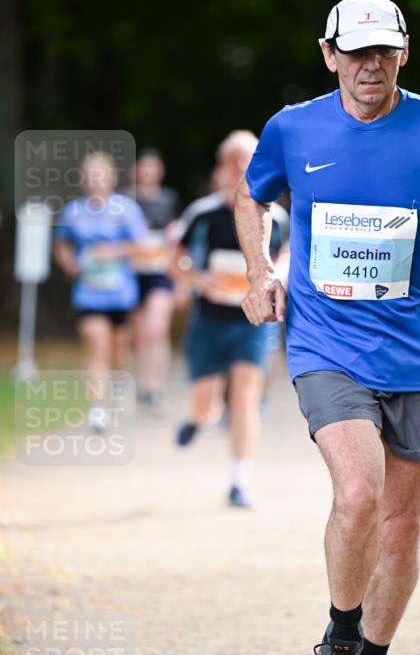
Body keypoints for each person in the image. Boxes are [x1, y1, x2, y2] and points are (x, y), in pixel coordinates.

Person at [234, 0, 420, 655]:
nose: (368, 66)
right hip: (326, 343)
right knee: (358, 494)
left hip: (416, 347)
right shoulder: (294, 126)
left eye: (382, 51)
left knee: (402, 529)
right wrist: (259, 273)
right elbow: (250, 198)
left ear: (402, 53)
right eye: (355, 52)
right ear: (329, 54)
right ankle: (337, 649)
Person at [171, 131, 289, 508]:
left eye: (249, 158)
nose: (242, 166)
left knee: (245, 395)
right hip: (209, 319)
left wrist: (273, 278)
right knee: (206, 403)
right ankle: (200, 418)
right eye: (235, 159)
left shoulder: (276, 215)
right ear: (221, 168)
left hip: (252, 323)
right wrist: (196, 279)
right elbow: (174, 258)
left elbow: (288, 254)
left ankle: (239, 481)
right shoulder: (202, 213)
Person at [54, 151, 148, 432]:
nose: (96, 181)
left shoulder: (127, 209)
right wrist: (68, 263)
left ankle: (119, 383)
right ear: (84, 180)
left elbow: (143, 246)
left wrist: (113, 251)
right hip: (88, 292)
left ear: (111, 178)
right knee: (97, 347)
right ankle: (97, 409)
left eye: (101, 175)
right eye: (90, 175)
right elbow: (61, 245)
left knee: (119, 350)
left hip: (120, 292)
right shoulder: (73, 211)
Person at [125, 149, 181, 414]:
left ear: (160, 171)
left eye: (152, 167)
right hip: (132, 273)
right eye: (142, 167)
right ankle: (141, 386)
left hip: (161, 273)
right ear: (135, 170)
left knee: (156, 330)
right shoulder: (126, 201)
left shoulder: (170, 199)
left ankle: (156, 389)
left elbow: (179, 234)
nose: (147, 172)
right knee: (138, 335)